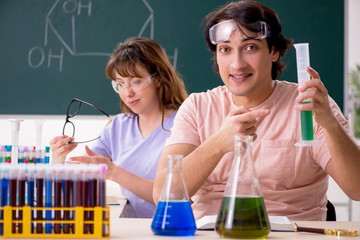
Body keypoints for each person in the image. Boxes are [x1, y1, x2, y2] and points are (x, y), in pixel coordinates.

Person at [153, 0, 360, 221]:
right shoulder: (198, 107)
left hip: (294, 236)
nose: (237, 64)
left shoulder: (310, 105)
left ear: (274, 51)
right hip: (212, 234)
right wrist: (217, 144)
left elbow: (356, 189)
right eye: (225, 49)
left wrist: (329, 124)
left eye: (250, 47)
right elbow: (162, 194)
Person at [50, 37, 188, 218]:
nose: (127, 93)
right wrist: (58, 159)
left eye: (136, 81)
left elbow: (169, 195)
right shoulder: (118, 126)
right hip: (129, 228)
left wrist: (114, 172)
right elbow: (76, 178)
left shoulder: (184, 123)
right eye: (120, 84)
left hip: (172, 227)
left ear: (159, 79)